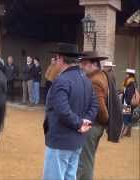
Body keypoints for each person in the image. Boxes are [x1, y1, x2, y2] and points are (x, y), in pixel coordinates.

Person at [43, 43, 99, 180]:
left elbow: (62, 110)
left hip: (61, 139)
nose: (55, 62)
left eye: (56, 58)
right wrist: (85, 121)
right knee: (70, 176)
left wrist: (80, 123)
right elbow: (94, 105)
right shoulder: (86, 80)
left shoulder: (61, 80)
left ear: (61, 59)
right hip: (77, 140)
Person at [77, 52, 123, 180]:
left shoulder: (95, 80)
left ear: (93, 65)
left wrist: (103, 121)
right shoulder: (101, 75)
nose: (82, 67)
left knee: (84, 161)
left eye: (85, 64)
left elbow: (100, 108)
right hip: (96, 125)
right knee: (87, 159)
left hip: (93, 125)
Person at [121, 68, 137, 137]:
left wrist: (126, 104)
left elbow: (129, 95)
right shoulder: (130, 82)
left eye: (127, 74)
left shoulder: (131, 83)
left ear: (130, 75)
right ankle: (123, 133)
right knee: (127, 119)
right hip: (129, 104)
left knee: (125, 119)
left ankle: (121, 134)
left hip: (127, 104)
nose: (126, 75)